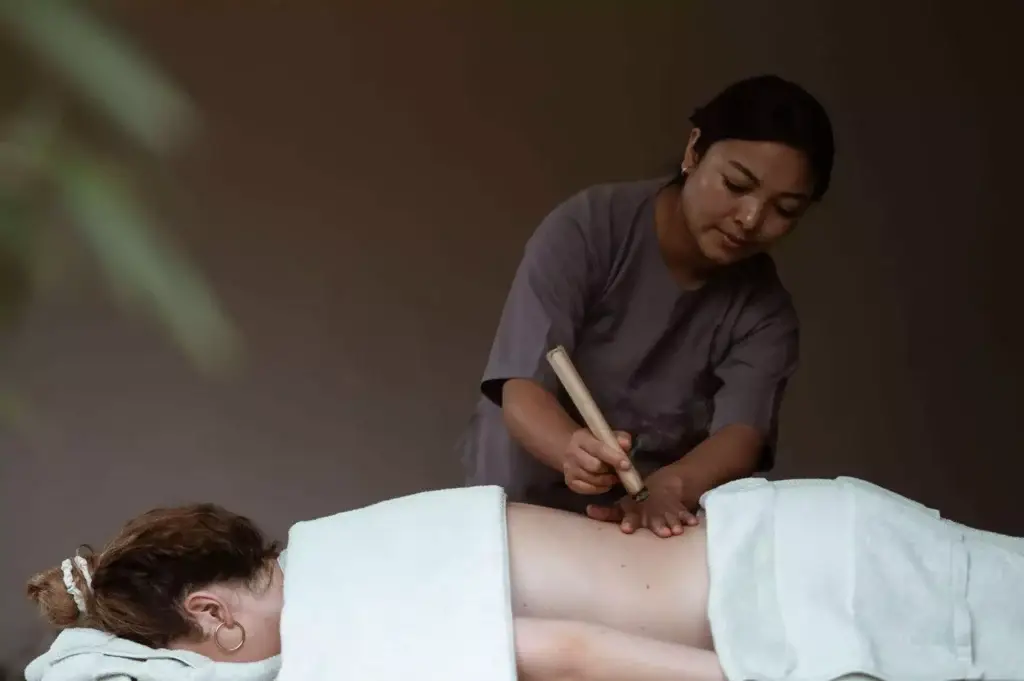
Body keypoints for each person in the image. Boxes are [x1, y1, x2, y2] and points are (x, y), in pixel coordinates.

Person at [24, 477, 1024, 681]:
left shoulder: (339, 622)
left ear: (211, 613)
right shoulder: (336, 543)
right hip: (798, 534)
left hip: (805, 599)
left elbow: (570, 652)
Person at [459, 73, 835, 536]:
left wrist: (673, 484)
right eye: (737, 185)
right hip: (522, 498)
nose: (751, 218)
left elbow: (741, 434)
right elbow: (520, 387)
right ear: (694, 151)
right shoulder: (590, 229)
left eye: (785, 210)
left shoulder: (766, 313)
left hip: (645, 519)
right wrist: (569, 450)